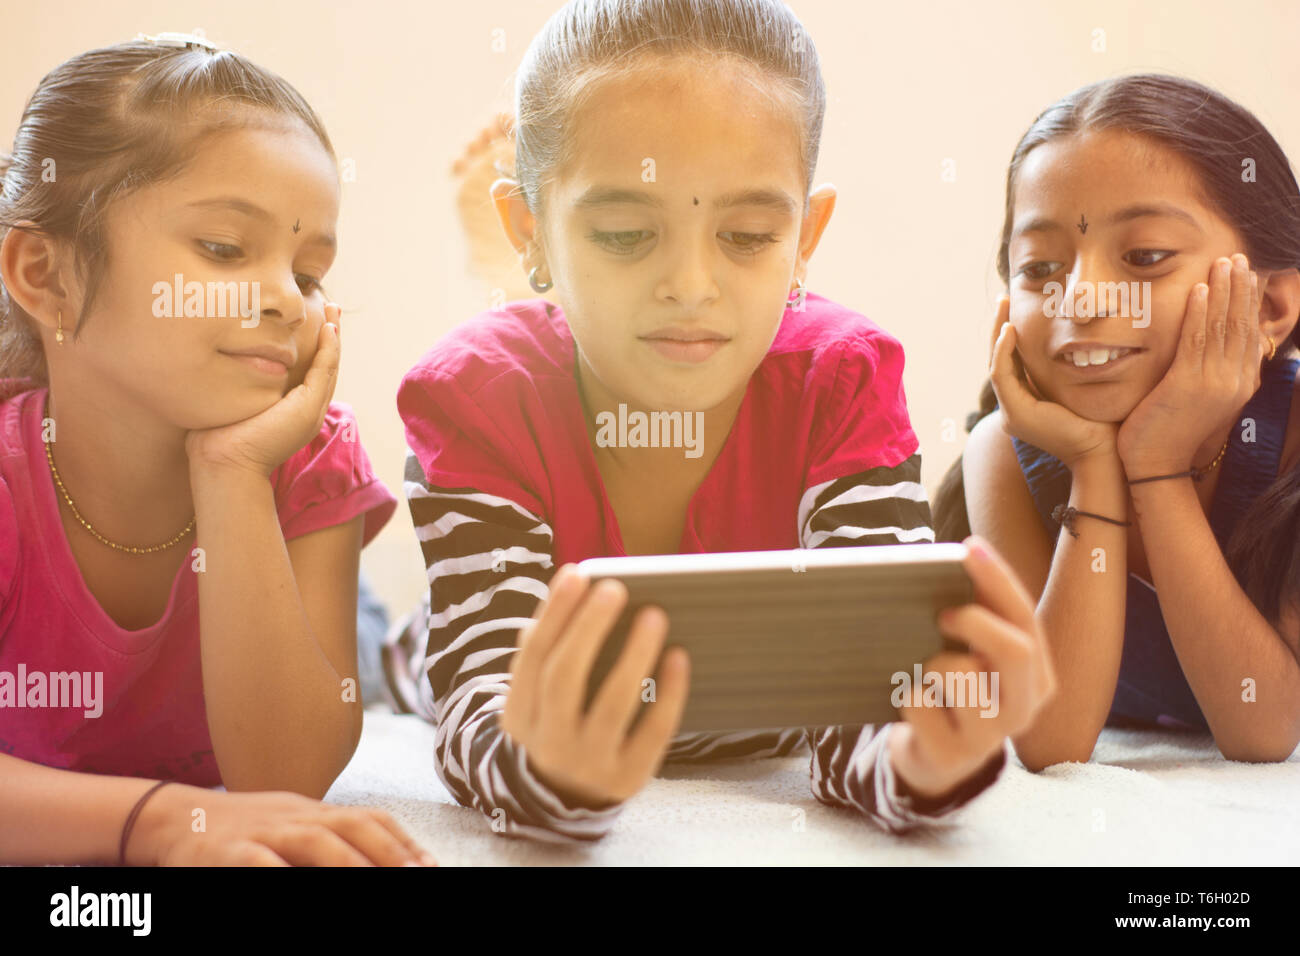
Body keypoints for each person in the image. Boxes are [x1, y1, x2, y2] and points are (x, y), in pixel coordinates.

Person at [389, 0, 1054, 842]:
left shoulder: (840, 376)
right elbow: (480, 706)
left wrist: (922, 759)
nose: (692, 284)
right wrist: (553, 773)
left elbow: (869, 707)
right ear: (531, 224)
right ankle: (518, 287)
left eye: (746, 235)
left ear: (805, 236)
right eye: (628, 233)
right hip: (466, 623)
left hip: (749, 700)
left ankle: (562, 286)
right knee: (416, 644)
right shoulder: (471, 396)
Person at [0, 33, 432, 866]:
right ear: (46, 275)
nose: (285, 300)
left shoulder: (312, 455)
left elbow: (284, 776)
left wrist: (232, 471)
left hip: (282, 564)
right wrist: (162, 821)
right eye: (226, 251)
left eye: (309, 276)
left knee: (378, 669)